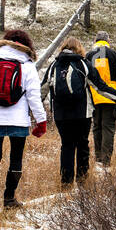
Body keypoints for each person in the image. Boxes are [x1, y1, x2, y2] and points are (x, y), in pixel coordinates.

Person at [0, 28, 46, 210]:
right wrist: (41, 121)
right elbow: (34, 97)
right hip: (18, 120)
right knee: (16, 158)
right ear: (27, 45)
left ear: (6, 42)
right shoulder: (28, 65)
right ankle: (9, 199)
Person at [44, 36, 93, 186]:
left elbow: (43, 88)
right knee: (82, 144)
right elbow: (100, 86)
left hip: (61, 114)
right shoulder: (83, 64)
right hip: (82, 113)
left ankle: (66, 182)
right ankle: (82, 180)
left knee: (67, 145)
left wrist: (30, 107)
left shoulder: (54, 65)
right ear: (79, 48)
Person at [86, 31, 116, 171]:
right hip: (111, 97)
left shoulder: (88, 56)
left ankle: (98, 160)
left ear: (95, 40)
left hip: (93, 97)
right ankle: (106, 161)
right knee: (108, 127)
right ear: (108, 40)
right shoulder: (115, 55)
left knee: (96, 127)